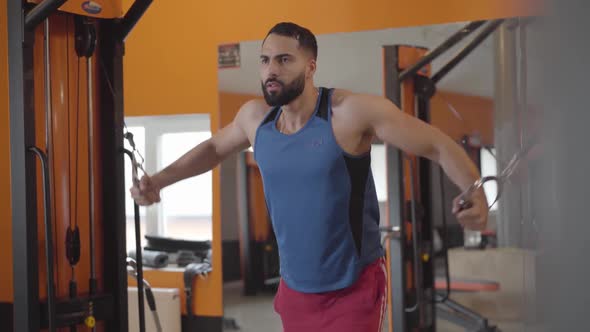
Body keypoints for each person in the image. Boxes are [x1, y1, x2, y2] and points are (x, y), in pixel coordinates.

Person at [130, 22, 488, 332]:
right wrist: (159, 181)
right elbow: (212, 149)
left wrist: (474, 189)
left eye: (284, 60)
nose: (272, 69)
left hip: (353, 287)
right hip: (295, 289)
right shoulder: (256, 119)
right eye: (265, 60)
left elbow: (437, 144)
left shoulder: (348, 113)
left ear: (311, 66)